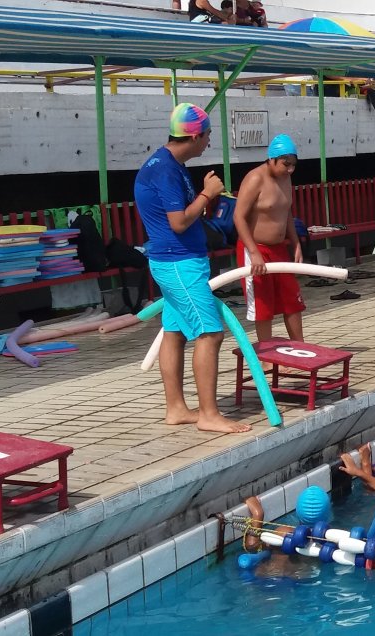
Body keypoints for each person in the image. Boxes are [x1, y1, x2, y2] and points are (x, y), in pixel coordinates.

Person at [134, 104, 249, 434]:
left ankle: (176, 409)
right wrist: (207, 193)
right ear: (195, 135)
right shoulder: (166, 171)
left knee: (175, 332)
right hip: (179, 263)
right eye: (208, 135)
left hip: (174, 261)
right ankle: (209, 415)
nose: (209, 142)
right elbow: (180, 221)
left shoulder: (169, 164)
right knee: (209, 333)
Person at [232, 134, 305, 345]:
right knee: (263, 306)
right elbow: (238, 216)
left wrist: (296, 242)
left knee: (292, 300)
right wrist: (254, 253)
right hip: (255, 249)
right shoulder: (255, 178)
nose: (290, 169)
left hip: (280, 249)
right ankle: (266, 356)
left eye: (293, 164)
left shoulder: (286, 177)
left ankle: (301, 348)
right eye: (285, 164)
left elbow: (286, 212)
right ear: (271, 159)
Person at [243, 486, 331, 553]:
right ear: (327, 514)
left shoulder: (284, 534)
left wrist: (258, 513)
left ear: (298, 511)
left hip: (271, 574)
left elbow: (252, 546)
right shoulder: (331, 541)